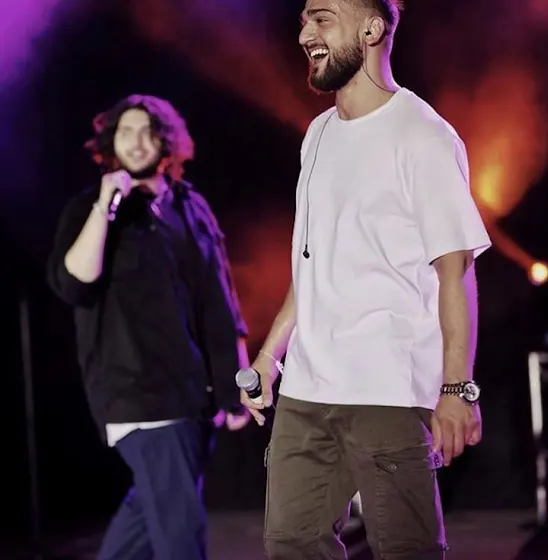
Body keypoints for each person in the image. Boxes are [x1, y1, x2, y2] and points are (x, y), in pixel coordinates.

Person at [241, 0, 491, 558]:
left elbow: (455, 273)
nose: (305, 33)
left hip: (388, 391)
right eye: (304, 20)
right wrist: (270, 356)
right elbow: (311, 264)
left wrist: (457, 388)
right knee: (291, 545)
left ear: (372, 29)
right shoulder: (317, 134)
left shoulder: (423, 135)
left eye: (322, 18)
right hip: (307, 391)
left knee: (407, 550)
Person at [47, 94, 250, 560]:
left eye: (148, 132)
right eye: (126, 132)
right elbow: (74, 283)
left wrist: (235, 386)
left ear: (167, 141)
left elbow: (220, 302)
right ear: (111, 143)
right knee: (180, 534)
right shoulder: (90, 208)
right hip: (140, 398)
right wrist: (106, 206)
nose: (137, 142)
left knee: (148, 516)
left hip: (193, 396)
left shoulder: (190, 206)